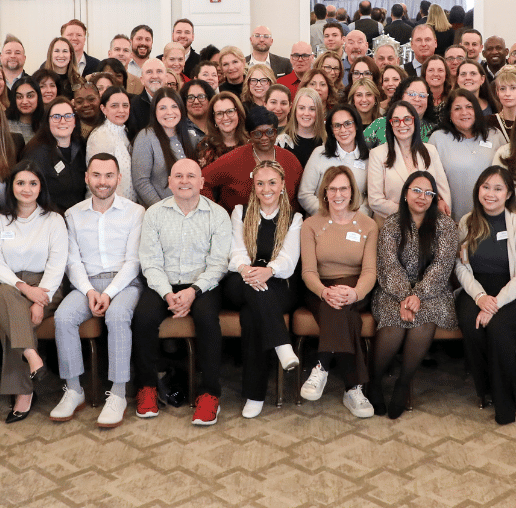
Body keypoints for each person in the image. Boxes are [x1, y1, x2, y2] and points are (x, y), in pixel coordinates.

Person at [132, 157, 233, 425]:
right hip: (162, 283)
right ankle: (147, 388)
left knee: (207, 320)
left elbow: (219, 264)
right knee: (142, 318)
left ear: (201, 182)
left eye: (191, 176)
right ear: (169, 182)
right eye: (178, 176)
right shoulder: (154, 213)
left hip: (203, 284)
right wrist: (168, 294)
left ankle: (210, 394)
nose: (184, 181)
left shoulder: (218, 215)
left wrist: (193, 292)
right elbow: (150, 262)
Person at [48, 154, 145, 428]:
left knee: (117, 316)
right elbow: (73, 261)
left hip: (124, 283)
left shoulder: (135, 212)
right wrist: (91, 291)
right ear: (87, 177)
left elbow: (133, 262)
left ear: (119, 178)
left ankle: (117, 393)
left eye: (109, 175)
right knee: (63, 317)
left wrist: (110, 293)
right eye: (97, 175)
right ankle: (74, 389)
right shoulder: (73, 214)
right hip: (86, 283)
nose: (103, 182)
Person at [368, 171, 461, 419]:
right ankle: (373, 382)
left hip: (433, 291)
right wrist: (404, 296)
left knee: (423, 321)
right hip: (392, 288)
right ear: (405, 193)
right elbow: (388, 264)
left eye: (429, 193)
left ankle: (403, 383)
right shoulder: (391, 223)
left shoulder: (445, 226)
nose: (422, 197)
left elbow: (442, 266)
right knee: (393, 323)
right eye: (416, 191)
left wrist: (418, 295)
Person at [0, 161, 70, 423]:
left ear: (40, 186)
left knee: (13, 317)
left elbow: (57, 264)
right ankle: (32, 356)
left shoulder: (53, 220)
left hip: (46, 285)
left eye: (32, 183)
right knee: (4, 296)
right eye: (20, 183)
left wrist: (39, 299)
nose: (26, 188)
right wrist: (24, 290)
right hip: (7, 284)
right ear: (11, 187)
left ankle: (23, 392)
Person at [454, 167, 516, 425]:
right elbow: (461, 266)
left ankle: (505, 403)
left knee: (499, 331)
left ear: (508, 194)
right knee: (472, 325)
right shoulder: (467, 222)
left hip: (512, 291)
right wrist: (480, 298)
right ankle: (489, 388)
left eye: (498, 188)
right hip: (475, 289)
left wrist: (494, 304)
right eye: (486, 187)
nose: (490, 194)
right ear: (477, 190)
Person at [222, 161, 303, 418]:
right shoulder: (240, 212)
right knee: (257, 293)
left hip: (278, 280)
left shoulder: (295, 218)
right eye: (260, 183)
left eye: (272, 183)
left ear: (282, 186)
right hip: (241, 277)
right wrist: (248, 270)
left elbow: (289, 260)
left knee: (252, 315)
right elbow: (236, 252)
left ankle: (254, 395)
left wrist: (268, 271)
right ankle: (282, 345)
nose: (265, 188)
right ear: (253, 186)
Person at [298, 166, 378, 415]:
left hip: (356, 287)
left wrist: (355, 293)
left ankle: (321, 367)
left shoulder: (368, 225)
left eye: (343, 188)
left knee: (344, 307)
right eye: (332, 189)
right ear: (324, 193)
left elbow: (370, 271)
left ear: (352, 191)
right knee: (342, 313)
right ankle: (354, 389)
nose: (338, 194)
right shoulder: (310, 224)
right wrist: (324, 291)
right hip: (319, 287)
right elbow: (308, 271)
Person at [202, 104, 301, 211]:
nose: (264, 138)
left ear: (276, 132)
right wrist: (216, 214)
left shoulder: (290, 160)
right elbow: (202, 181)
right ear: (249, 135)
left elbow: (299, 197)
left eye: (270, 132)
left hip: (282, 224)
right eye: (258, 133)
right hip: (238, 225)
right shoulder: (233, 159)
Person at [367, 101, 451, 223]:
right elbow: (375, 200)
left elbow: (443, 192)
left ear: (415, 122)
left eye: (407, 119)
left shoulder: (430, 150)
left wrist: (439, 205)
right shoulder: (377, 154)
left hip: (428, 225)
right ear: (390, 125)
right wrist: (413, 213)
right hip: (392, 225)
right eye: (396, 120)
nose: (402, 125)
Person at [427, 89, 502, 221]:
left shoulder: (494, 135)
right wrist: (437, 200)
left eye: (469, 107)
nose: (464, 112)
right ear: (449, 113)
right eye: (457, 108)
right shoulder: (438, 138)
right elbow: (428, 177)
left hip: (491, 217)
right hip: (451, 217)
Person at [131, 87, 203, 207]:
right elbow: (141, 182)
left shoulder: (188, 136)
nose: (169, 112)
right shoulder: (146, 137)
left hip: (190, 210)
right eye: (162, 108)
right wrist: (162, 209)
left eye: (174, 106)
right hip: (161, 213)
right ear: (155, 112)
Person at [298, 105, 370, 216]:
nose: (343, 130)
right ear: (331, 130)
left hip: (357, 223)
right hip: (322, 221)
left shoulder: (369, 157)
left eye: (348, 123)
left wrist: (354, 218)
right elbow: (305, 195)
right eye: (337, 125)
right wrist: (331, 217)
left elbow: (369, 198)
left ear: (356, 125)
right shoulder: (319, 153)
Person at [25, 98, 89, 212]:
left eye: (68, 116)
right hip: (50, 220)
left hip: (81, 218)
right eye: (56, 117)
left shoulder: (83, 147)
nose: (63, 121)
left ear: (75, 121)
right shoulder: (35, 153)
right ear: (47, 122)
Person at [86, 86, 134, 199]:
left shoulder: (126, 132)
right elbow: (99, 179)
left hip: (128, 206)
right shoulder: (100, 136)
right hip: (107, 205)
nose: (121, 110)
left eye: (125, 105)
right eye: (114, 106)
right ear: (103, 109)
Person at [277, 86, 325, 166]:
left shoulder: (326, 142)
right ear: (295, 110)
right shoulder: (282, 142)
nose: (306, 113)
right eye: (301, 108)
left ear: (319, 112)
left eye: (312, 109)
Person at [197, 92, 248, 167]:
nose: (225, 118)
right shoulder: (204, 146)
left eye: (230, 111)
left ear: (238, 113)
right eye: (219, 113)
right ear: (213, 118)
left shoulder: (252, 143)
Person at [5, 76, 45, 141]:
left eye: (30, 96)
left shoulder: (47, 125)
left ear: (38, 97)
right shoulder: (4, 124)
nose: (25, 102)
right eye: (20, 97)